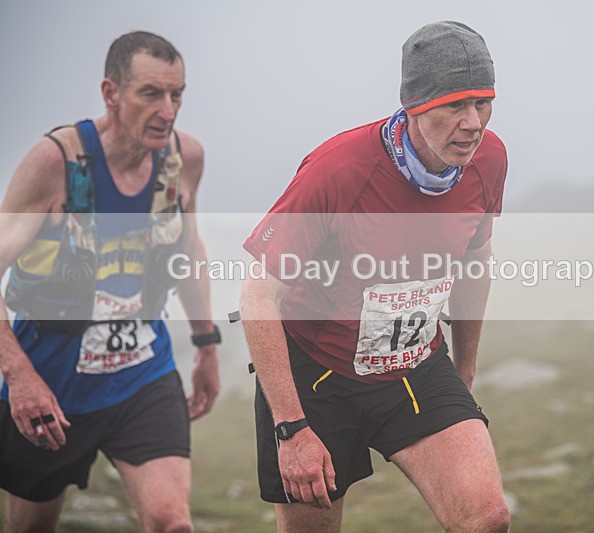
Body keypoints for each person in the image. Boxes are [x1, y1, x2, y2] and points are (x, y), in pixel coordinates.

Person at [240, 21, 509, 532]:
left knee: (487, 518)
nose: (473, 122)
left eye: (484, 101)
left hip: (416, 365)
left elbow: (476, 259)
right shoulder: (337, 170)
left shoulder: (488, 158)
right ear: (413, 104)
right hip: (317, 376)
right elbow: (258, 295)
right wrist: (290, 427)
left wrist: (465, 370)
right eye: (455, 104)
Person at [0, 31, 220, 532]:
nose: (168, 110)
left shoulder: (184, 158)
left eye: (177, 94)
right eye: (151, 94)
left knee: (173, 523)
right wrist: (19, 376)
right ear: (111, 93)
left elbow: (188, 247)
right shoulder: (55, 162)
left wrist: (207, 345)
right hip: (51, 379)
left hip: (142, 372)